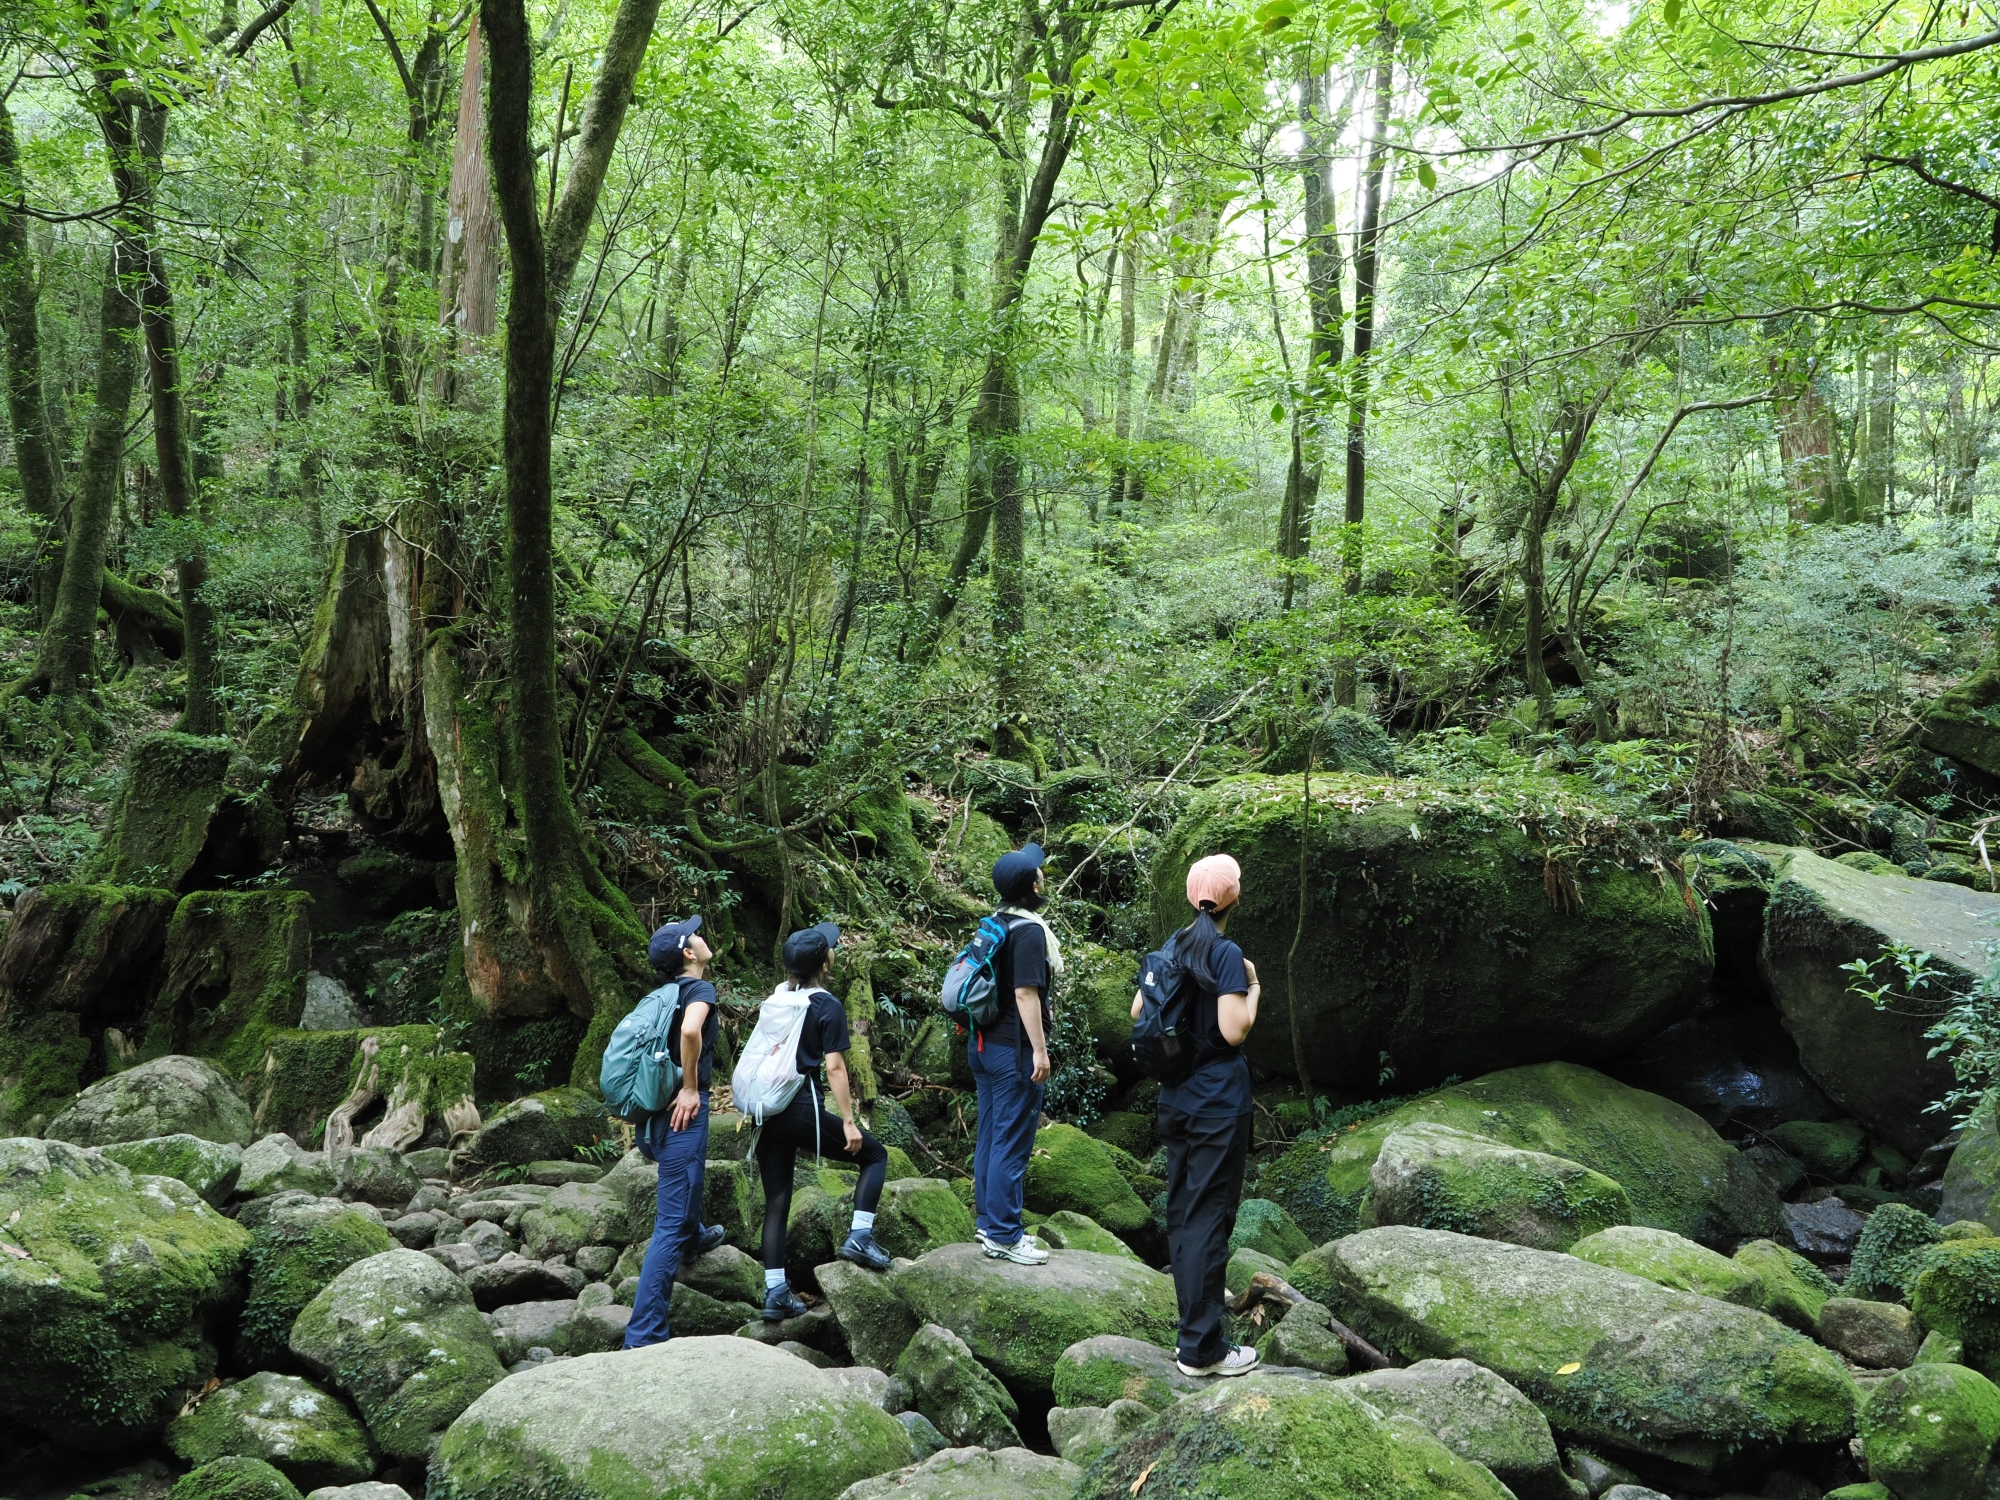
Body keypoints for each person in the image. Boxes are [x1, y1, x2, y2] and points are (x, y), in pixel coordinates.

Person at [1136, 852, 1263, 1377]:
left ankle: (1192, 1335)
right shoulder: (1226, 952)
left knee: (1185, 1215)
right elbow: (1235, 1029)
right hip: (1216, 1103)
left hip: (1176, 1098)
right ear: (1233, 898)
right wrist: (1253, 988)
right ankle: (1204, 1351)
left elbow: (1139, 1013)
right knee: (1211, 1218)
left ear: (1192, 898)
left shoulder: (1170, 949)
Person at [752, 921, 894, 1320]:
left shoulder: (777, 999)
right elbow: (834, 1067)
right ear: (824, 963)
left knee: (777, 1202)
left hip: (767, 1113)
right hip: (799, 1109)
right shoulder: (826, 1005)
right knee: (875, 1156)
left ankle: (776, 1292)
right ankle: (861, 1236)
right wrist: (849, 1120)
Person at [624, 916, 728, 1348]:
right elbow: (690, 1030)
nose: (704, 937)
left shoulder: (662, 995)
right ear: (688, 954)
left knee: (691, 1180)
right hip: (682, 1111)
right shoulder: (699, 990)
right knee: (667, 1224)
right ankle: (642, 1335)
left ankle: (695, 1236)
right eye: (696, 935)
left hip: (655, 1117)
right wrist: (690, 1088)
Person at [970, 842, 1065, 1265]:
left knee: (991, 1135)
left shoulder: (994, 923)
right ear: (1032, 884)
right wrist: (1040, 1053)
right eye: (1039, 872)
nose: (1044, 875)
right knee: (1011, 1143)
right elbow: (1026, 994)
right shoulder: (1028, 932)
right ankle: (1006, 1236)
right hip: (1013, 1053)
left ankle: (989, 1222)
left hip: (983, 1046)